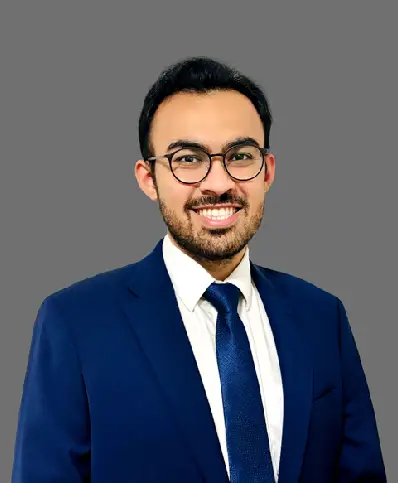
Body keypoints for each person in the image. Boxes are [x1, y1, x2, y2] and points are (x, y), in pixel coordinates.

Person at [12, 57, 386, 483]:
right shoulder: (75, 323)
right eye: (188, 159)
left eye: (240, 155)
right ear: (148, 178)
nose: (219, 183)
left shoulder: (322, 317)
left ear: (268, 171)